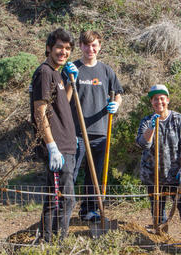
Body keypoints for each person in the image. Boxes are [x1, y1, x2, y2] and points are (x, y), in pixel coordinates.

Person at [62, 30, 123, 222]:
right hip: (77, 132)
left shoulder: (106, 71)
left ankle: (89, 210)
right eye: (86, 45)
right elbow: (64, 100)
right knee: (70, 173)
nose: (91, 49)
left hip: (101, 131)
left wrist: (116, 105)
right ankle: (63, 211)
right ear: (80, 46)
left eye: (94, 45)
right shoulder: (73, 68)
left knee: (95, 176)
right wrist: (72, 80)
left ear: (99, 46)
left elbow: (118, 93)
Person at [29, 28, 77, 242]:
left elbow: (61, 106)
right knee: (63, 200)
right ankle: (56, 244)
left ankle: (47, 242)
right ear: (49, 47)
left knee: (56, 198)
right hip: (58, 146)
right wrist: (51, 146)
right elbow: (40, 111)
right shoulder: (45, 72)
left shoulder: (56, 73)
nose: (63, 52)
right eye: (59, 47)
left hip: (66, 144)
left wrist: (69, 83)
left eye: (67, 49)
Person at [136, 84, 181, 242]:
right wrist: (151, 128)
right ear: (152, 102)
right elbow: (144, 144)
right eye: (155, 99)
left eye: (162, 98)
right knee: (157, 207)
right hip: (152, 174)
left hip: (175, 172)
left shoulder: (178, 119)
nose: (159, 102)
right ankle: (162, 238)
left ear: (167, 100)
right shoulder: (147, 121)